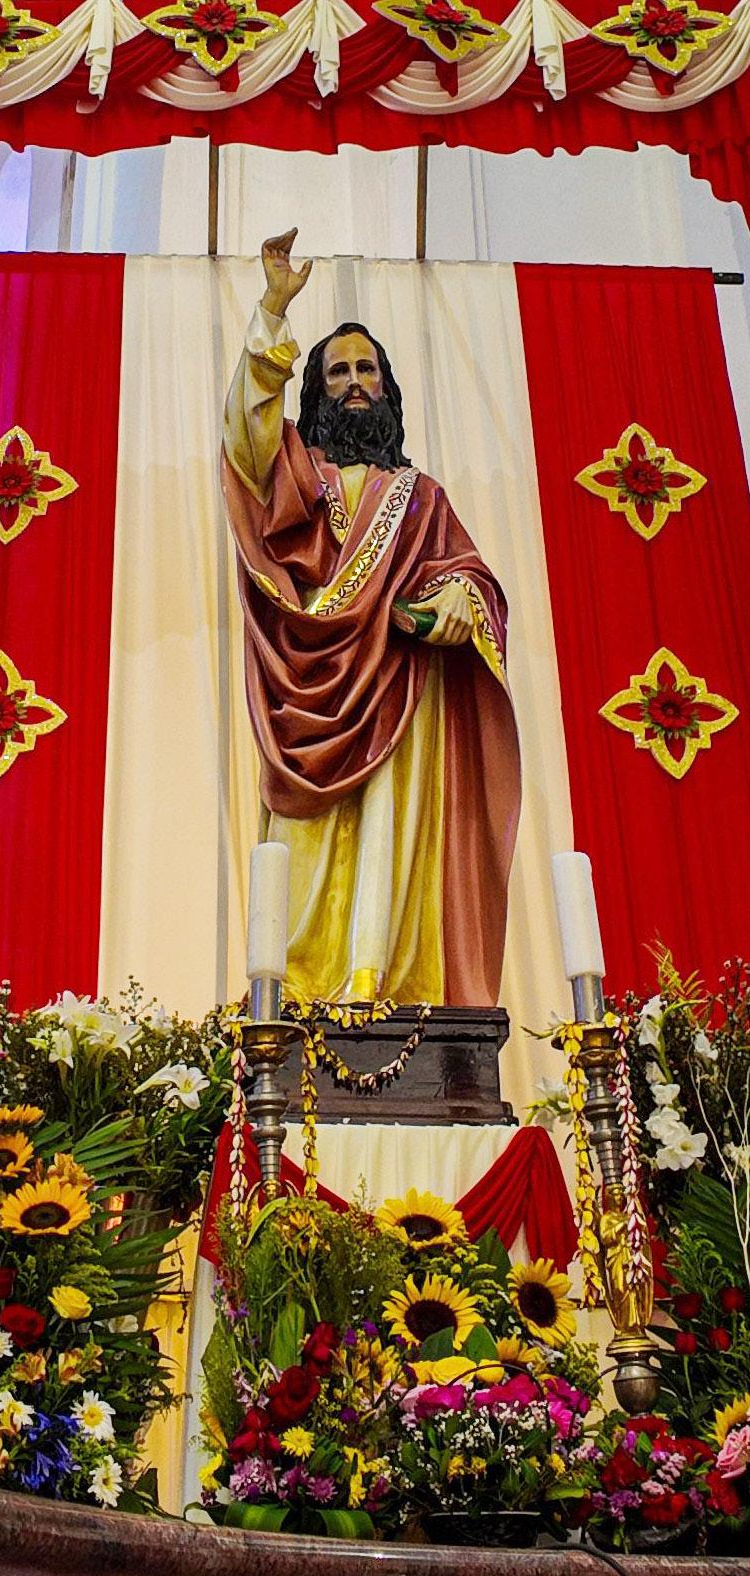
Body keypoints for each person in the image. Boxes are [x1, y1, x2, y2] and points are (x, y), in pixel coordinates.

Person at [222, 229, 521, 1006]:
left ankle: (377, 976)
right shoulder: (296, 475)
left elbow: (467, 573)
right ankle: (295, 990)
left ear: (386, 388)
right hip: (307, 692)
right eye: (337, 371)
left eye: (366, 370)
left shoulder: (420, 496)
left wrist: (459, 596)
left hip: (396, 691)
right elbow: (246, 434)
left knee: (392, 828)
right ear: (315, 390)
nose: (354, 382)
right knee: (304, 852)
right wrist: (272, 313)